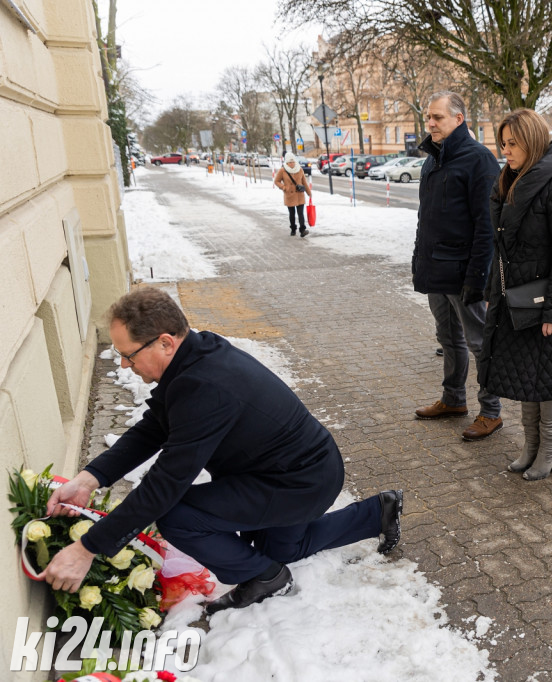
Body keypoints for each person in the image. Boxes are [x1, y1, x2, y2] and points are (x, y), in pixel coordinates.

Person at [40, 288, 403, 613]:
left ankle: (266, 579)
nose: (124, 364)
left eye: (128, 355)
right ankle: (376, 514)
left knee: (177, 516)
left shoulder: (204, 387)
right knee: (281, 550)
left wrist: (87, 548)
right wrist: (90, 479)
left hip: (298, 483)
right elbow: (154, 428)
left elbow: (165, 485)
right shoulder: (194, 357)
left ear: (165, 342)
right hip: (298, 471)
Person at [483, 109, 552, 481]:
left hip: (550, 300)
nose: (506, 150)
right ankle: (531, 446)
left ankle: (550, 448)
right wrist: (491, 292)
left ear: (531, 142)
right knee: (527, 378)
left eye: (513, 143)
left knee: (551, 382)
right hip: (517, 299)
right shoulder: (509, 181)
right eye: (503, 143)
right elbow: (500, 249)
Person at [412, 91, 504, 441]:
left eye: (437, 117)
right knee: (448, 339)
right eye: (429, 118)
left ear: (459, 119)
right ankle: (453, 399)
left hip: (465, 272)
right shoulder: (432, 159)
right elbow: (428, 219)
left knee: (479, 343)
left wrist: (479, 277)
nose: (431, 123)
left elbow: (487, 225)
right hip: (435, 269)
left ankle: (491, 411)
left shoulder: (478, 159)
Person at [273, 152, 312, 237]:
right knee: (292, 213)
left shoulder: (299, 169)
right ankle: (293, 229)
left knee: (300, 213)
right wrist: (284, 187)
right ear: (286, 162)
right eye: (290, 162)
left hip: (299, 194)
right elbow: (276, 181)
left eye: (293, 161)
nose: (292, 164)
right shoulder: (283, 170)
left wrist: (309, 192)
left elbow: (304, 182)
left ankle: (302, 230)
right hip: (289, 195)